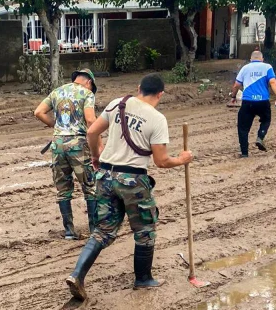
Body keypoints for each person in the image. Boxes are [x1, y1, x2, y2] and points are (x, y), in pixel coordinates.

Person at [65, 73, 193, 301]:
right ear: (160, 94)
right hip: (133, 180)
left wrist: (96, 157)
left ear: (138, 88)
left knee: (103, 230)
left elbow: (93, 131)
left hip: (105, 176)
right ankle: (143, 279)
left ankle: (77, 275)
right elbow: (161, 161)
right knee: (145, 230)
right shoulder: (157, 119)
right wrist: (182, 160)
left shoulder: (118, 103)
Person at [34, 69, 101, 240]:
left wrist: (56, 126)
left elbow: (38, 112)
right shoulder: (87, 93)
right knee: (90, 188)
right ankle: (94, 230)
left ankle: (69, 231)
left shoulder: (57, 91)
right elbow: (91, 120)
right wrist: (97, 144)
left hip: (57, 144)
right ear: (89, 82)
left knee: (63, 190)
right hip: (77, 145)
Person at [229, 51, 276, 157]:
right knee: (266, 119)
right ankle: (260, 136)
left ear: (251, 59)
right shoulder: (267, 67)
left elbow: (236, 85)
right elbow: (273, 82)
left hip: (248, 102)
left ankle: (244, 153)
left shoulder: (245, 68)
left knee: (243, 128)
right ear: (262, 59)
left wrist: (233, 97)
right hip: (263, 102)